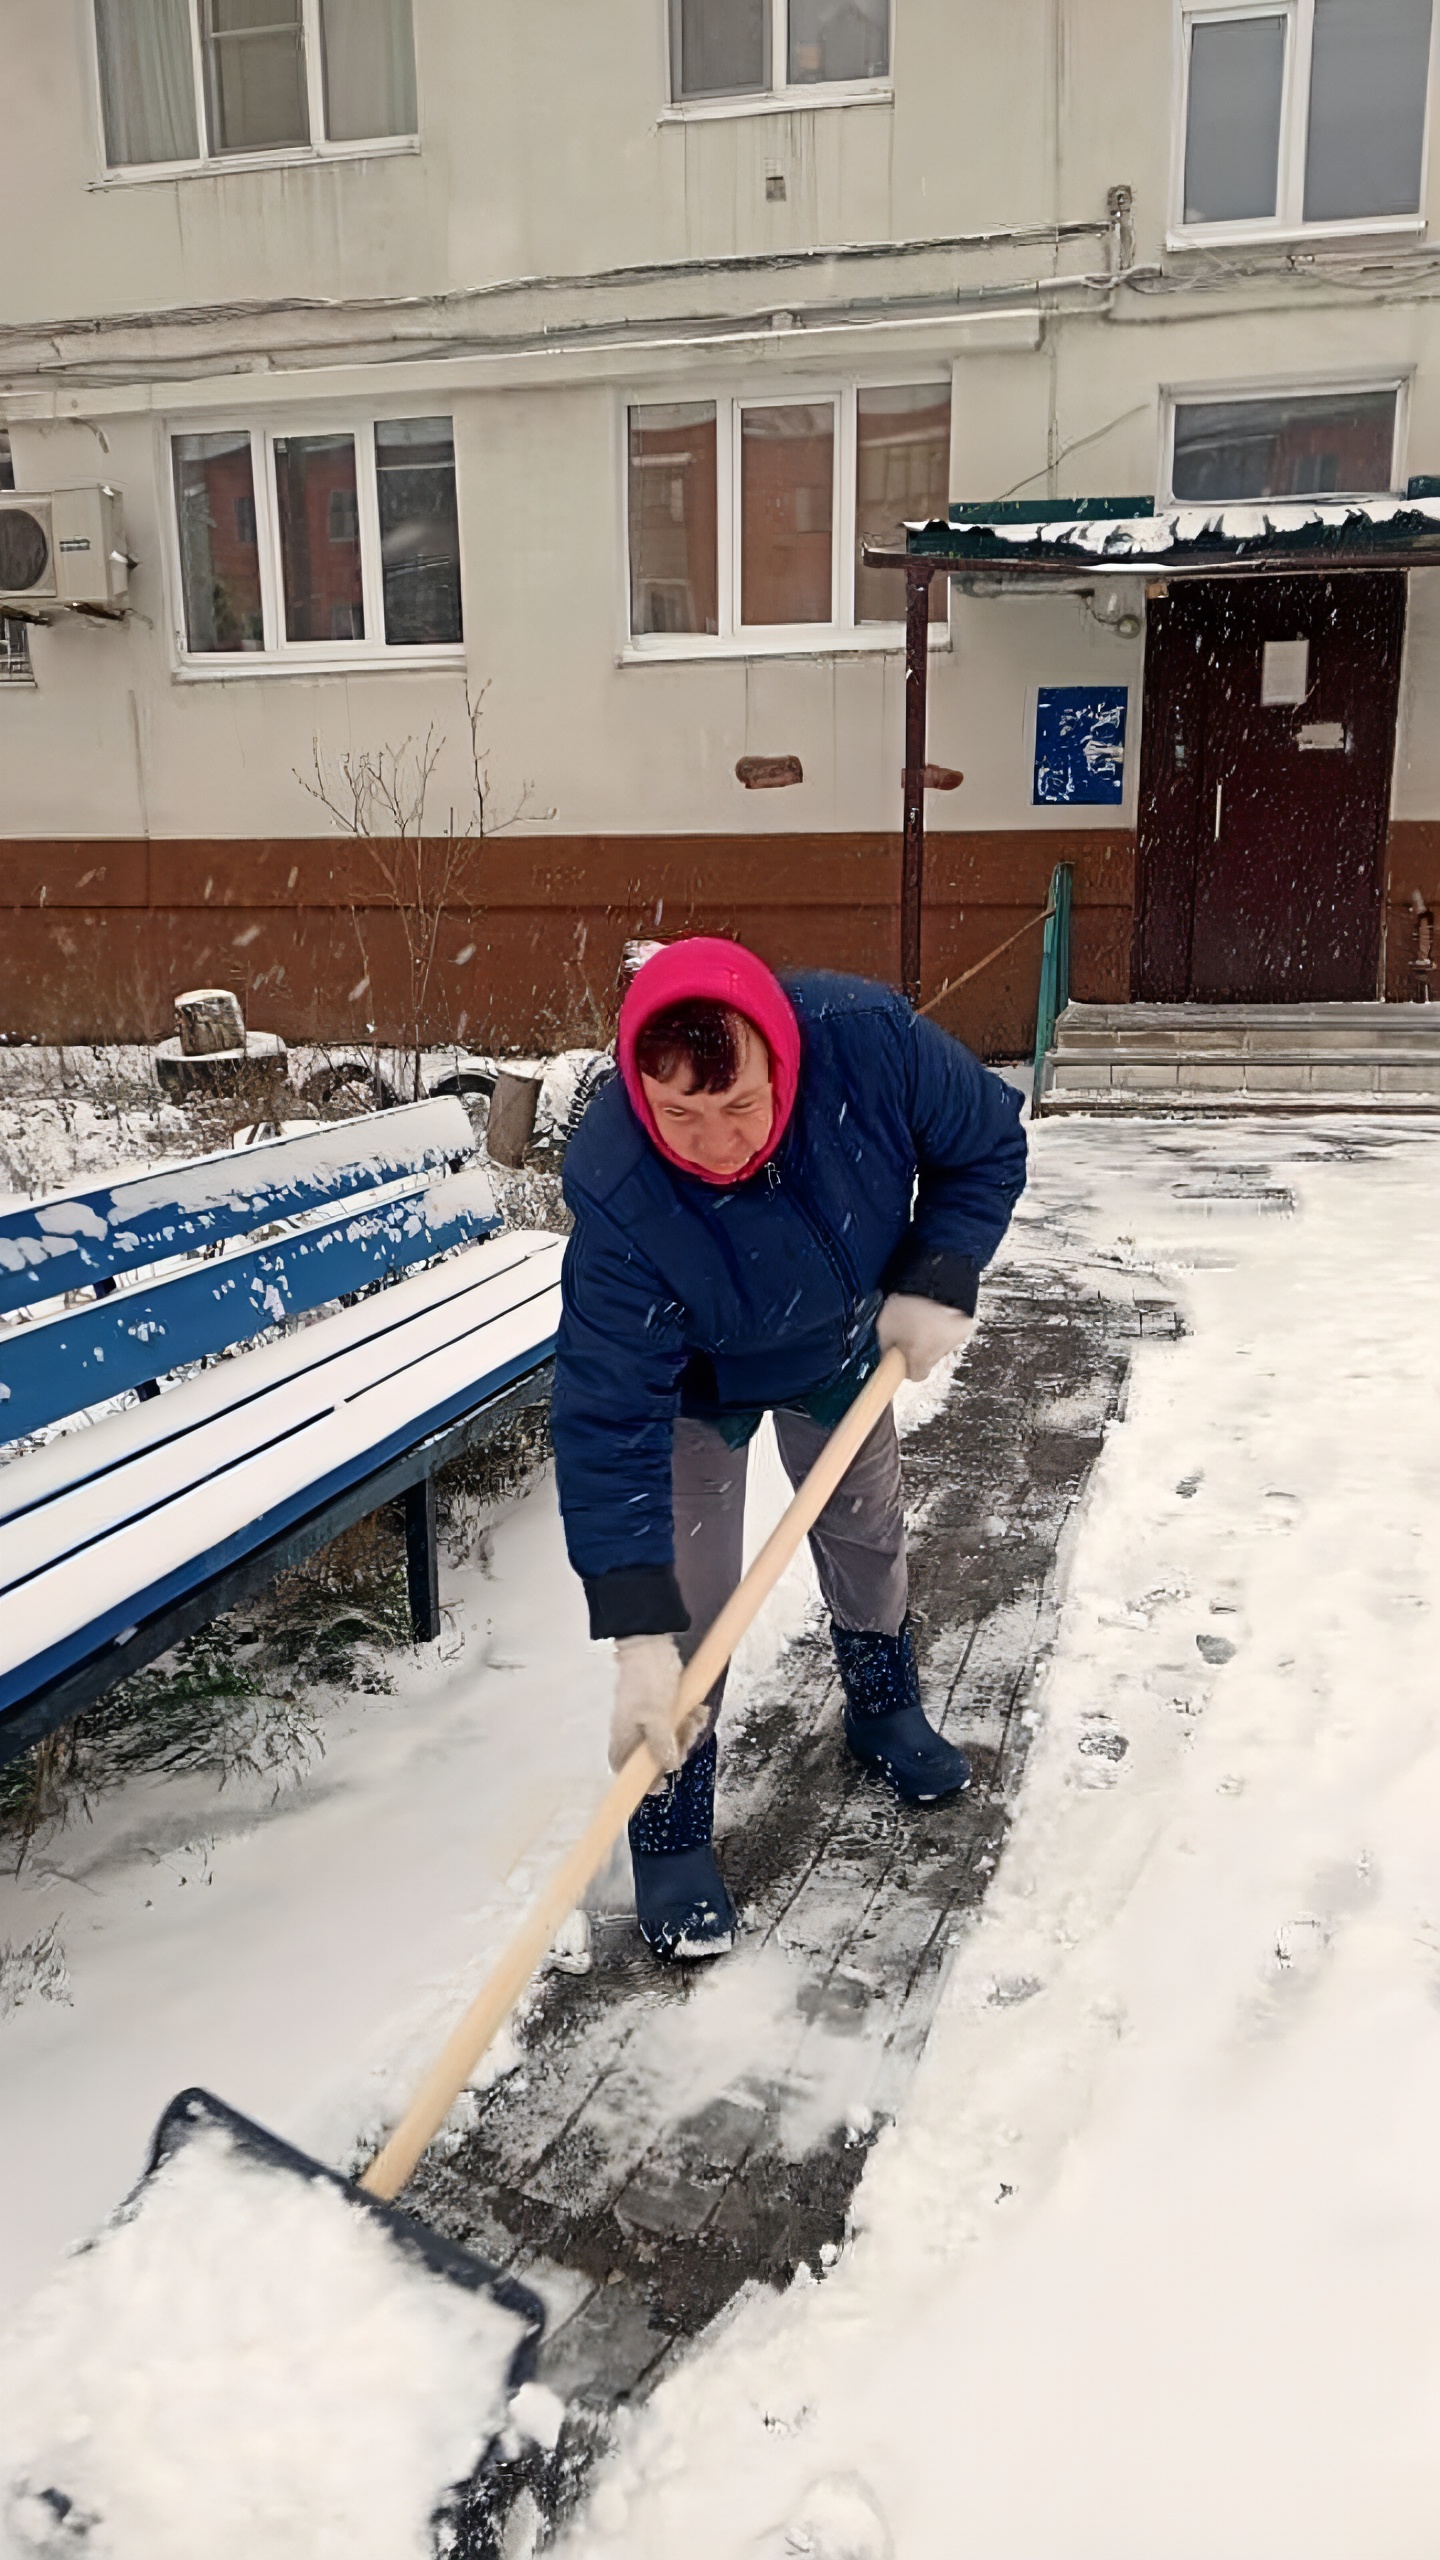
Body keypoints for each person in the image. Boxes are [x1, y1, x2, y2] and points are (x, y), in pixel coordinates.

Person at [551, 937, 1027, 1961]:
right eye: (679, 1113)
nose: (714, 1143)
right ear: (639, 1088)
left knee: (865, 1529)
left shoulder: (867, 1046)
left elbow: (985, 1143)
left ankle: (881, 1697)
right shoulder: (618, 1188)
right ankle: (670, 1809)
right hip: (696, 1383)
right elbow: (607, 1413)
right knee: (689, 1599)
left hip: (844, 1337)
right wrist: (635, 1638)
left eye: (739, 1107)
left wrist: (939, 1270)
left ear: (782, 1061)